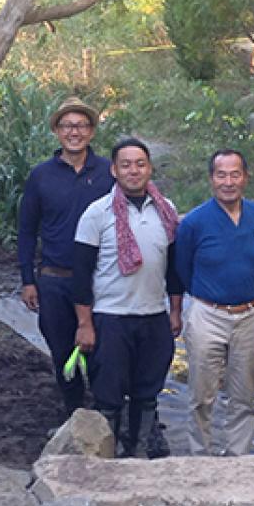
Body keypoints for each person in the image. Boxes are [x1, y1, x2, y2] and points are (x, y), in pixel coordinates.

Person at [72, 138, 182, 458]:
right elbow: (81, 274)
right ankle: (106, 453)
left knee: (147, 391)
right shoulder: (97, 213)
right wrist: (85, 324)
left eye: (140, 164)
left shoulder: (167, 210)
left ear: (149, 168)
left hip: (152, 315)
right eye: (126, 165)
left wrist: (174, 311)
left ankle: (139, 449)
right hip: (111, 316)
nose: (134, 171)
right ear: (114, 170)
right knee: (108, 394)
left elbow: (174, 268)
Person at [17, 96, 114, 413]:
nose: (75, 132)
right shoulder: (41, 176)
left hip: (101, 280)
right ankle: (73, 413)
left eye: (82, 125)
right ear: (57, 131)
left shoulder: (108, 173)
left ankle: (106, 415)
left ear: (92, 131)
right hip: (55, 280)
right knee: (61, 352)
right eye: (68, 126)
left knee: (103, 352)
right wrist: (28, 280)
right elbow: (28, 230)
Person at [175, 149, 254, 456]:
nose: (228, 182)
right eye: (221, 175)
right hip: (208, 314)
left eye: (235, 174)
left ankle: (237, 460)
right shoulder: (194, 223)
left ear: (245, 177)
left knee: (243, 395)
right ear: (211, 179)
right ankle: (200, 458)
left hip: (250, 315)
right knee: (201, 396)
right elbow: (182, 270)